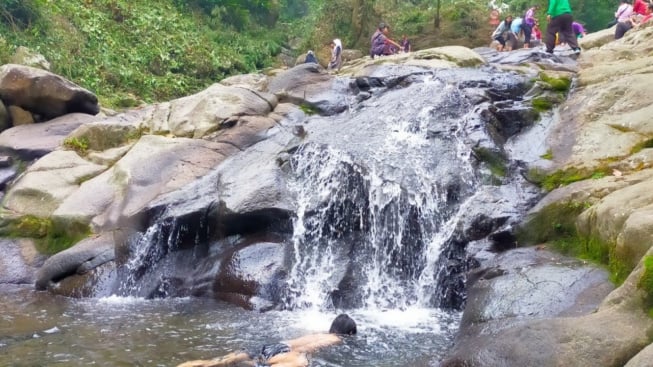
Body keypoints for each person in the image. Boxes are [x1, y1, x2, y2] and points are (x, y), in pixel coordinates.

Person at [177, 314, 357, 367]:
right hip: (288, 354)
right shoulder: (336, 339)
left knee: (217, 362)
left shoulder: (318, 331)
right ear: (348, 334)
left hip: (278, 344)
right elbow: (307, 349)